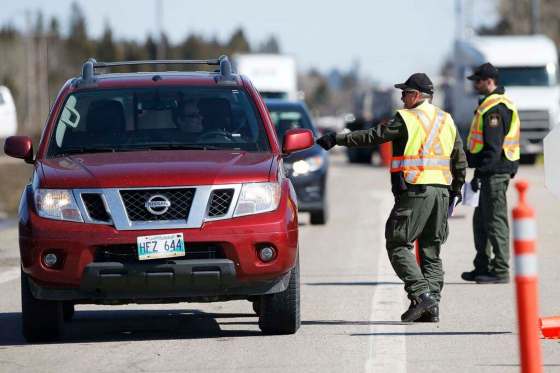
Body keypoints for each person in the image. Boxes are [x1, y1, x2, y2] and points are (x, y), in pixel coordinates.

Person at [316, 73, 467, 322]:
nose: (401, 97)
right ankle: (431, 307)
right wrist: (456, 189)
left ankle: (422, 294)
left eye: (405, 93)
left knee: (397, 242)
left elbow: (374, 136)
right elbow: (459, 157)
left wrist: (338, 138)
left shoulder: (407, 118)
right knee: (431, 249)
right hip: (442, 190)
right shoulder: (446, 119)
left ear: (417, 96)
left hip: (417, 188)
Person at [461, 63, 520, 284]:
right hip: (487, 172)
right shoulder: (487, 105)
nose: (475, 84)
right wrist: (478, 174)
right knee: (481, 221)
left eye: (478, 80)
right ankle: (482, 266)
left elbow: (493, 149)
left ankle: (501, 269)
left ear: (489, 81)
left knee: (495, 221)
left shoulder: (495, 108)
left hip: (495, 172)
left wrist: (481, 171)